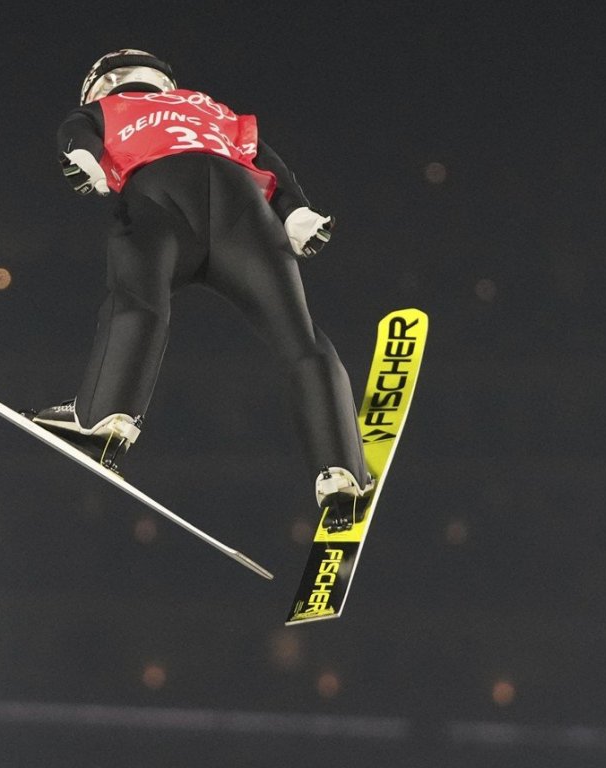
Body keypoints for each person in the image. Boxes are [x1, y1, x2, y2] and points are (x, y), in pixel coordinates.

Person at [24, 49, 370, 530]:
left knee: (138, 304)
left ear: (104, 83)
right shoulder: (210, 106)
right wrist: (297, 212)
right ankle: (342, 471)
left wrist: (85, 159)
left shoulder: (108, 108)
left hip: (158, 195)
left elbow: (75, 133)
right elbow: (266, 160)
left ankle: (107, 417)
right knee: (300, 338)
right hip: (242, 208)